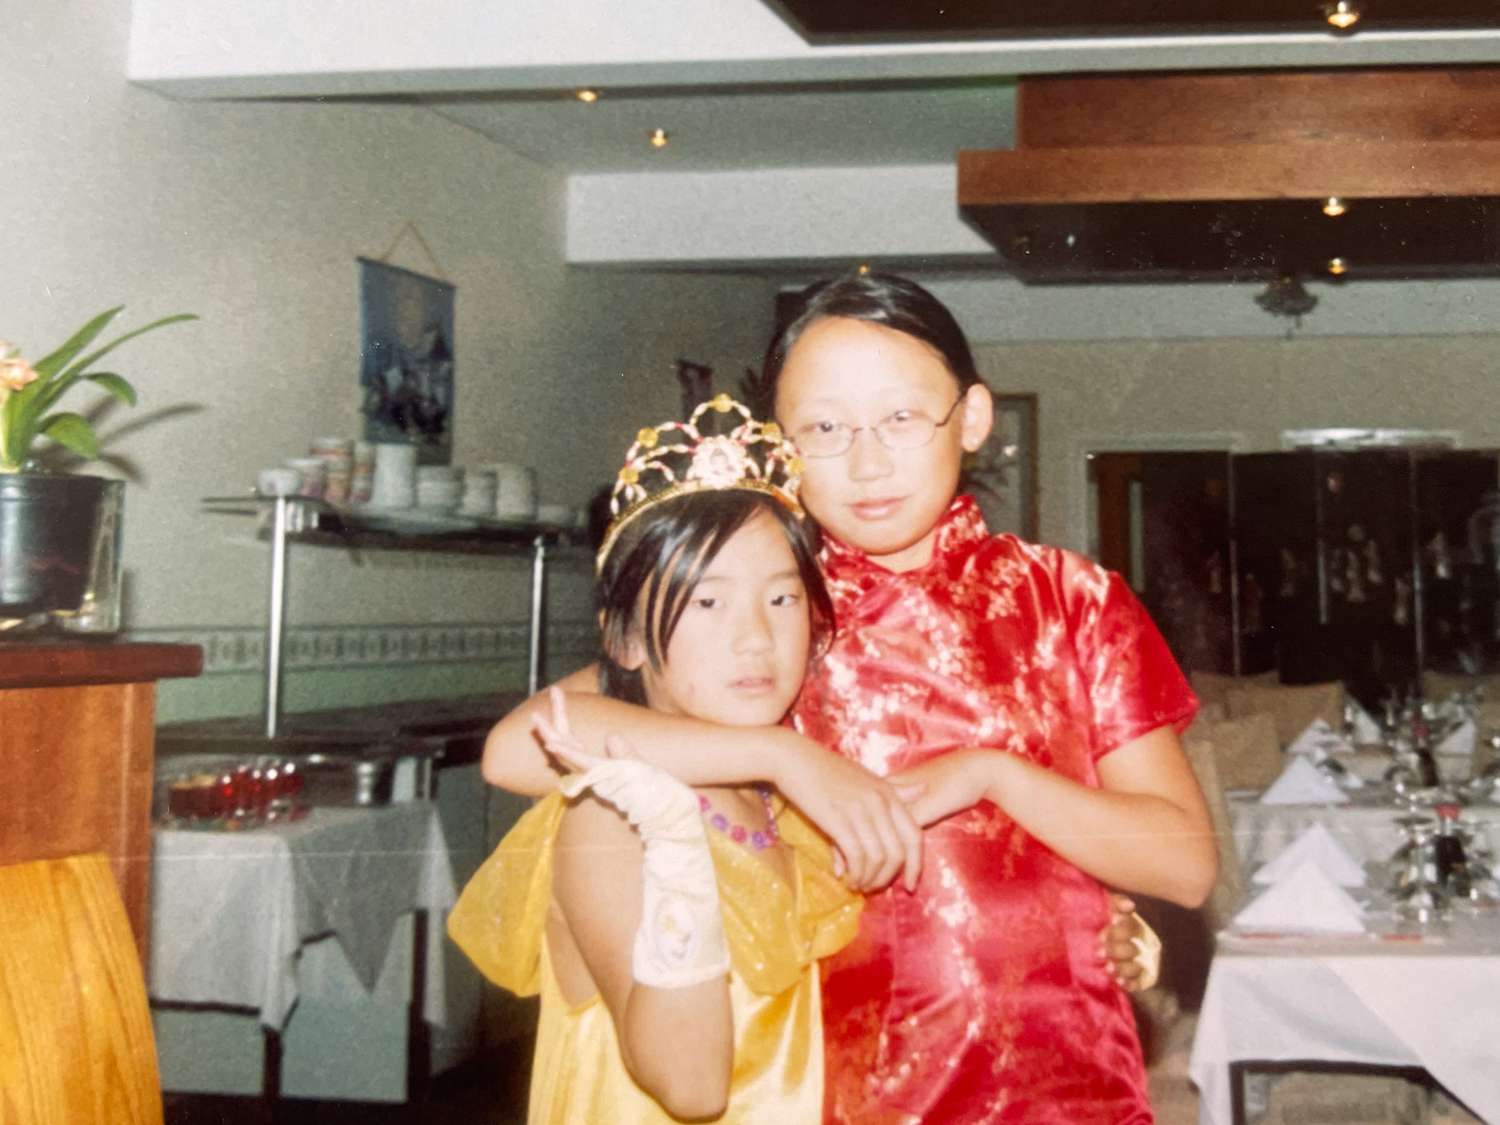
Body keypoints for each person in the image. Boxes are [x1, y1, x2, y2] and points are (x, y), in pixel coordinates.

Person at [483, 274, 1214, 1122]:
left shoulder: (1070, 601)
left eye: (901, 418)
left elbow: (1186, 864)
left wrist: (992, 775)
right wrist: (783, 754)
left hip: (1068, 1082)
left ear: (972, 417)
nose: (867, 464)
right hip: (844, 1091)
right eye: (825, 429)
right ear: (782, 443)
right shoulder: (775, 609)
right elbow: (520, 747)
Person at [449, 399, 864, 1121]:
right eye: (706, 602)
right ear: (626, 639)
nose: (755, 637)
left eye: (782, 598)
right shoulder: (611, 816)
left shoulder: (776, 792)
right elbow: (692, 1088)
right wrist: (675, 845)